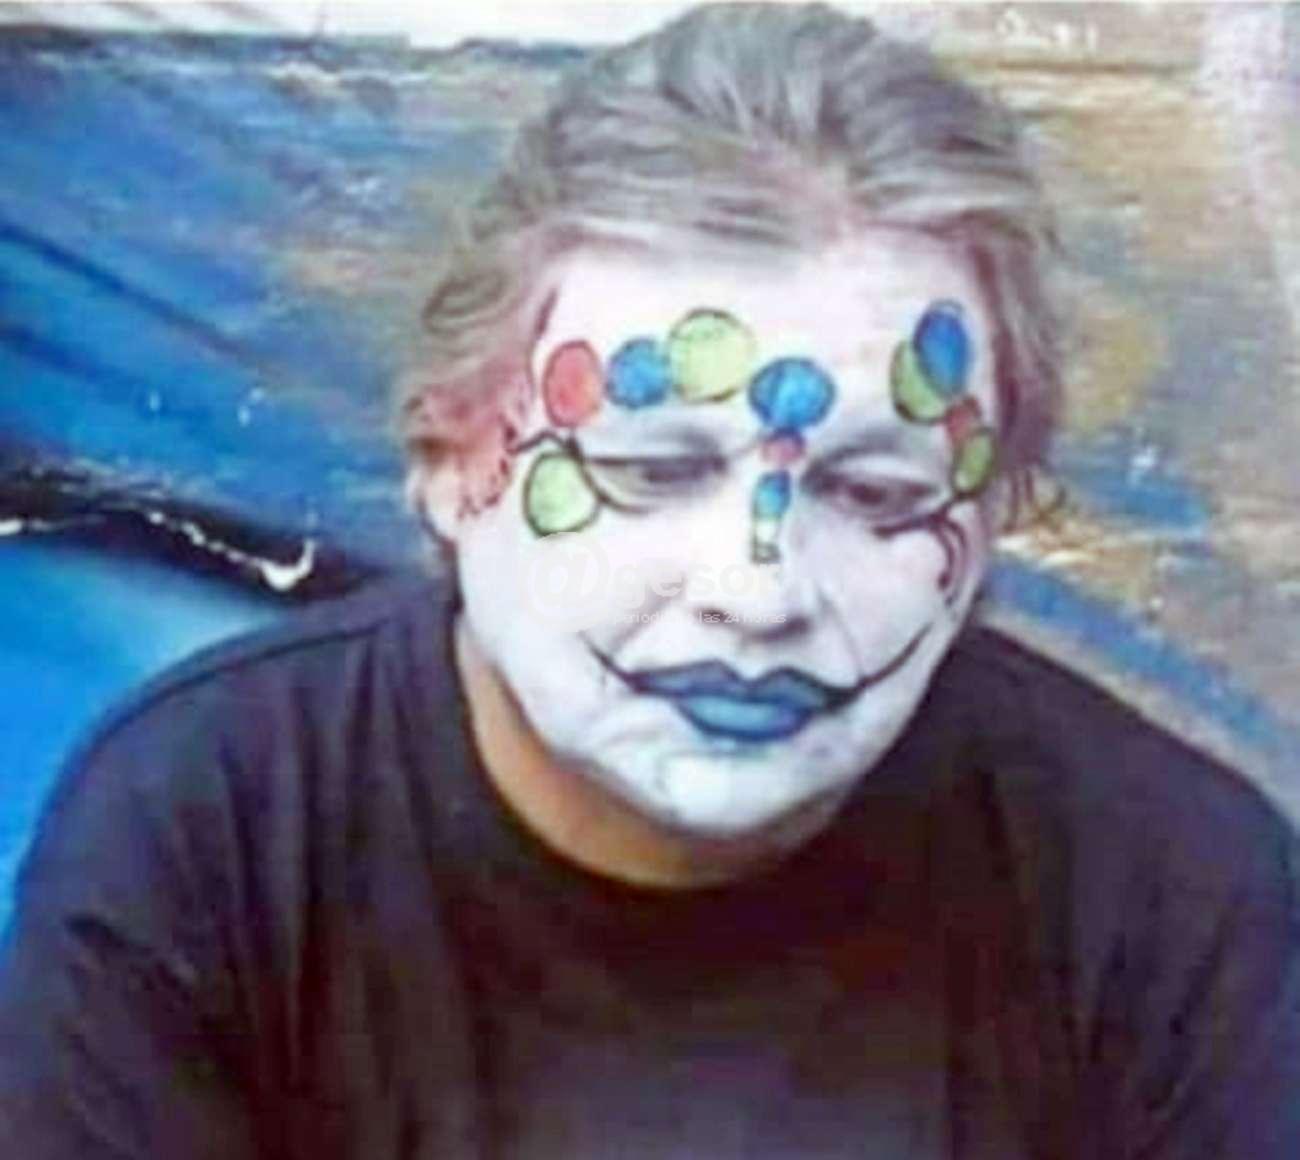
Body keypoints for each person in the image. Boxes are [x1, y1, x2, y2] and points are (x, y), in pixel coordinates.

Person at [2, 4, 1297, 1157]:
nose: (758, 592)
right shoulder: (210, 830)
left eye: (876, 493)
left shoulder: (1172, 898)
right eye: (650, 469)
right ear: (449, 462)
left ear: (996, 517)